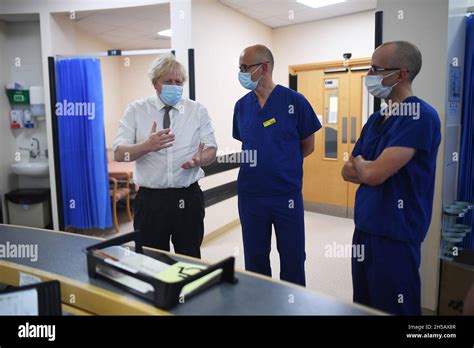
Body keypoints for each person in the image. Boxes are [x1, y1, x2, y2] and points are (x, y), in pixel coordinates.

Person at [341, 41, 441, 315]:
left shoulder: (421, 116)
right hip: (365, 227)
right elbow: (346, 170)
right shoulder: (376, 119)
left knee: (395, 308)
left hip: (395, 233)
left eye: (376, 69)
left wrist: (364, 165)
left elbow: (373, 174)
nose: (369, 75)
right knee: (364, 305)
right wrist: (364, 167)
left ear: (401, 74)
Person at [232, 44, 321, 286]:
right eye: (239, 67)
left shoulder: (295, 102)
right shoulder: (241, 106)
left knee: (292, 258)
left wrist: (283, 164)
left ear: (264, 67)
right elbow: (250, 142)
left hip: (286, 194)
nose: (240, 72)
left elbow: (308, 145)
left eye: (244, 67)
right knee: (255, 258)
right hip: (251, 195)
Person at [112, 54, 217, 258]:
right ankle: (159, 292)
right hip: (151, 201)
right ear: (155, 83)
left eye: (178, 82)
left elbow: (211, 149)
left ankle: (187, 291)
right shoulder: (136, 110)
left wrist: (199, 160)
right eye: (168, 81)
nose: (174, 86)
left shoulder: (197, 111)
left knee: (189, 258)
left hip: (188, 198)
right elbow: (119, 154)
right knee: (152, 260)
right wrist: (146, 146)